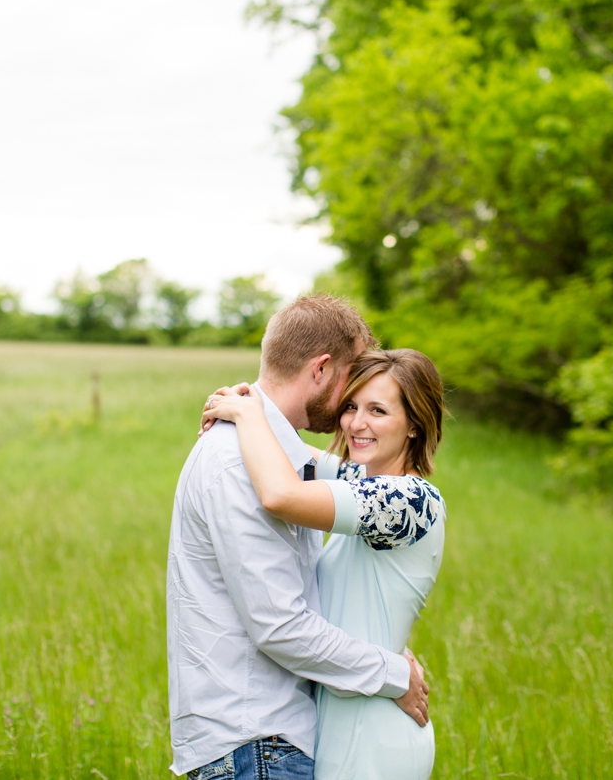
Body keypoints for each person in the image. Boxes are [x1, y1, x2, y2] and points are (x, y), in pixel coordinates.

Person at [166, 294, 430, 780]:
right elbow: (279, 625)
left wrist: (248, 411)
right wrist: (393, 672)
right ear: (322, 369)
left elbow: (293, 483)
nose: (355, 419)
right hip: (255, 744)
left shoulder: (403, 497)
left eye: (376, 408)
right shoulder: (241, 460)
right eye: (351, 394)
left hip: (278, 741)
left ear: (413, 426)